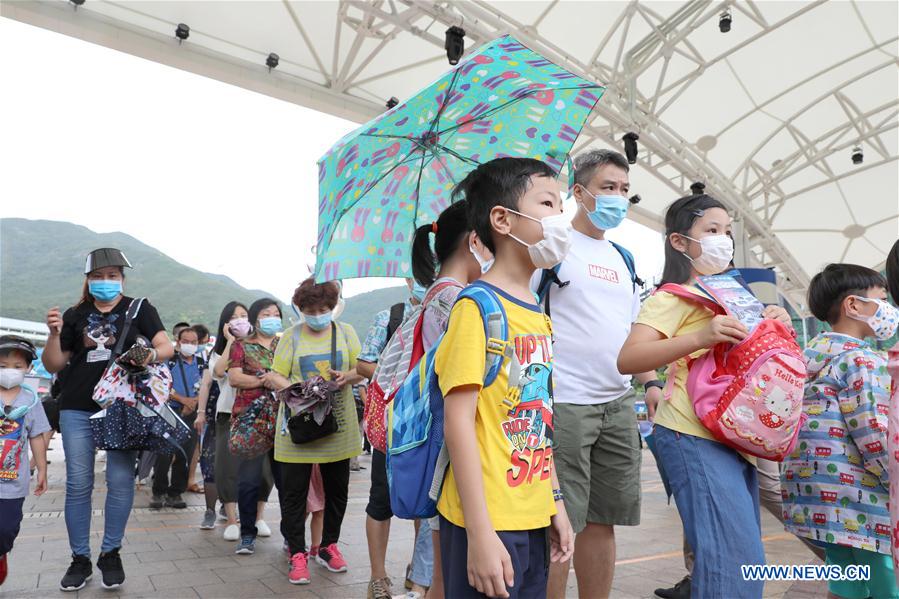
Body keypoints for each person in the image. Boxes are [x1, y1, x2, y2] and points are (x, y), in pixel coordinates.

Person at [618, 195, 792, 598]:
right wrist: (699, 336)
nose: (724, 240)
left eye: (727, 231)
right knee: (730, 564)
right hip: (692, 432)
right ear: (680, 243)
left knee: (744, 561)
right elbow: (628, 358)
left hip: (735, 436)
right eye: (711, 231)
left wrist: (775, 322)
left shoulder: (735, 296)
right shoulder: (673, 297)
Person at [434, 157, 574, 598]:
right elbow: (458, 423)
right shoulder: (475, 307)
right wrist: (479, 533)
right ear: (502, 219)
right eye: (548, 203)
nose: (559, 218)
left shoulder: (536, 312)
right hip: (487, 520)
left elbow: (540, 421)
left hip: (531, 514)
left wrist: (554, 504)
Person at [538, 149, 661, 599]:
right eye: (608, 187)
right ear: (579, 192)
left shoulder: (624, 259)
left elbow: (632, 333)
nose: (618, 198)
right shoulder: (550, 250)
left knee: (603, 520)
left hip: (616, 403)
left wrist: (649, 382)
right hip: (565, 403)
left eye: (624, 190)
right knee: (559, 524)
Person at [42, 248, 173, 591]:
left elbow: (166, 346)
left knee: (120, 481)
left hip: (122, 406)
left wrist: (147, 354)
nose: (106, 281)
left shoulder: (140, 308)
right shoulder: (74, 314)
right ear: (88, 280)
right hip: (76, 405)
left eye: (113, 275)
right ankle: (80, 559)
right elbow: (55, 364)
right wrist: (54, 333)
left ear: (122, 279)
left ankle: (110, 552)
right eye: (99, 276)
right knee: (78, 483)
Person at [781, 263, 897, 599]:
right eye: (882, 300)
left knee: (846, 582)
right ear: (853, 305)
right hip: (862, 498)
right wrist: (894, 483)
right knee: (886, 580)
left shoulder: (809, 356)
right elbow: (874, 431)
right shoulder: (862, 360)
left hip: (818, 498)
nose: (888, 310)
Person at [407, 198, 483, 599]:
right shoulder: (457, 299)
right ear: (475, 241)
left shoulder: (438, 292)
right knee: (444, 570)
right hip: (451, 443)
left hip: (439, 438)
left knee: (440, 565)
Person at [269, 278, 364, 585]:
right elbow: (274, 376)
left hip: (339, 426)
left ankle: (328, 546)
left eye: (324, 308)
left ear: (333, 307)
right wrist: (301, 390)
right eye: (310, 309)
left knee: (338, 491)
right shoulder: (291, 337)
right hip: (299, 429)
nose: (318, 314)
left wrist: (344, 377)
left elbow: (361, 369)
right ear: (300, 309)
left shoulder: (346, 332)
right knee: (294, 495)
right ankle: (297, 553)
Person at [359, 279, 424, 599]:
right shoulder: (390, 317)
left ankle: (419, 568)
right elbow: (363, 362)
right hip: (393, 423)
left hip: (430, 423)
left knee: (427, 500)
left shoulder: (453, 310)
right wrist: (401, 376)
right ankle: (377, 576)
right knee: (381, 498)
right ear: (410, 278)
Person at [227, 298, 284, 555]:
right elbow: (234, 378)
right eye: (266, 313)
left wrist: (276, 380)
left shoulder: (285, 345)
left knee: (287, 482)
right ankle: (247, 534)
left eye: (276, 313)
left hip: (283, 421)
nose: (272, 317)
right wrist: (267, 380)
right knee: (248, 481)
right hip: (250, 421)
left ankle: (292, 538)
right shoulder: (241, 346)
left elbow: (292, 378)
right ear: (255, 319)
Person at [0, 336, 50, 588]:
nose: (10, 371)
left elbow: (37, 437)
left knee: (6, 528)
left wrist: (41, 469)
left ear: (29, 368)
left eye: (17, 366)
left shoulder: (31, 402)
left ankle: (1, 553)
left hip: (12, 482)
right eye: (2, 365)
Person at [202, 302, 254, 541]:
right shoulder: (218, 351)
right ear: (225, 323)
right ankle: (232, 519)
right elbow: (219, 373)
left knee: (256, 470)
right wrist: (232, 341)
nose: (240, 320)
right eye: (234, 317)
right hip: (227, 412)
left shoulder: (258, 346)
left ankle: (254, 517)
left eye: (244, 316)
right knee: (228, 466)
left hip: (256, 412)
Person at [150, 325, 205, 509]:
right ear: (178, 342)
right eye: (186, 341)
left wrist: (194, 402)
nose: (189, 345)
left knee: (186, 454)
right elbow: (160, 385)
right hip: (169, 412)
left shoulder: (202, 363)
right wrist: (184, 400)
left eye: (194, 342)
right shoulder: (169, 361)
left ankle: (176, 493)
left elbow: (207, 387)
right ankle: (158, 492)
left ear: (199, 343)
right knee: (164, 454)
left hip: (192, 414)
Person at [187, 323, 212, 494]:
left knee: (195, 447)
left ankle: (188, 479)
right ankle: (185, 480)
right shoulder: (175, 360)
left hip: (197, 406)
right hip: (184, 407)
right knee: (191, 448)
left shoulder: (205, 357)